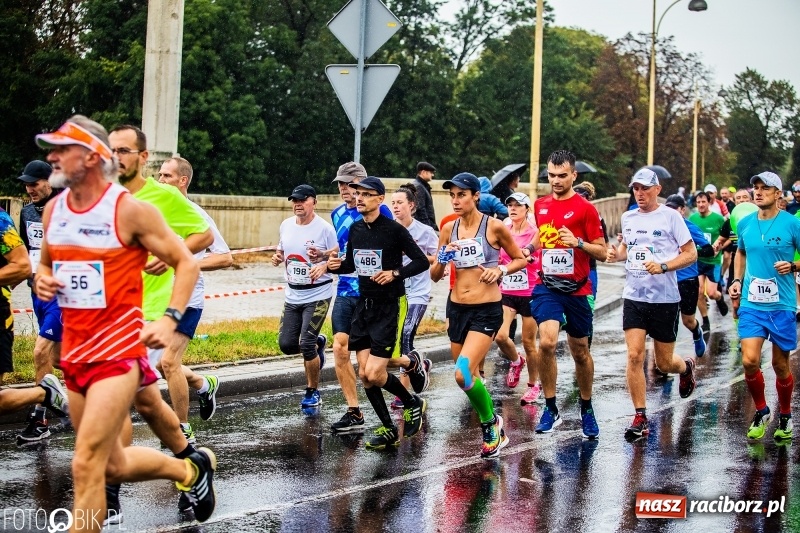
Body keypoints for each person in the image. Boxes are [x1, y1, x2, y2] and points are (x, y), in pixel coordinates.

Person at [34, 115, 217, 528]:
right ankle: (190, 470)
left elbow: (186, 262)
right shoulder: (53, 211)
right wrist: (46, 281)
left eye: (62, 150)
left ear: (90, 157)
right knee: (110, 465)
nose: (51, 157)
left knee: (85, 464)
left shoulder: (131, 210)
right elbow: (46, 266)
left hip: (118, 348)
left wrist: (171, 319)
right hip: (76, 353)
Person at [327, 177, 430, 450]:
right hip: (364, 306)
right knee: (365, 375)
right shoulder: (356, 229)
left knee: (374, 373)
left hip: (389, 306)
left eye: (366, 195)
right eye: (357, 193)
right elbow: (351, 264)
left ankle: (411, 401)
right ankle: (387, 427)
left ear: (379, 199)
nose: (359, 198)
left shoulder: (394, 230)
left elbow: (420, 261)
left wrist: (395, 273)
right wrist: (332, 266)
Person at [430, 172, 527, 458]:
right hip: (457, 307)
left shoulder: (494, 227)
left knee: (461, 374)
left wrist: (500, 270)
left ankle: (490, 424)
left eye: (462, 194)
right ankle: (493, 421)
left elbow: (520, 258)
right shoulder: (449, 229)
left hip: (486, 310)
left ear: (475, 196)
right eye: (452, 195)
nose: (456, 200)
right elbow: (435, 275)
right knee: (470, 375)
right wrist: (444, 257)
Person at [607, 168, 698, 441]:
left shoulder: (671, 217)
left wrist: (664, 266)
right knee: (635, 356)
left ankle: (686, 368)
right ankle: (640, 415)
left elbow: (691, 254)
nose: (640, 193)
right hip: (634, 297)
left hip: (665, 300)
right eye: (636, 188)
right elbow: (627, 250)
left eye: (645, 188)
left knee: (664, 363)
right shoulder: (628, 217)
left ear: (657, 189)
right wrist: (616, 253)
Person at [529, 151, 607, 439]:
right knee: (547, 342)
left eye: (562, 175)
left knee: (580, 352)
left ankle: (586, 408)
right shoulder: (540, 205)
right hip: (547, 285)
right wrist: (528, 250)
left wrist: (579, 243)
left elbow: (603, 251)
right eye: (551, 175)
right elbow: (540, 234)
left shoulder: (586, 209)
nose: (556, 180)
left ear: (574, 175)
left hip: (578, 289)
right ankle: (551, 408)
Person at [158, 156, 232, 424]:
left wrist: (189, 263)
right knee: (158, 364)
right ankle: (203, 384)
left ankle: (181, 429)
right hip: (157, 299)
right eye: (159, 175)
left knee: (168, 362)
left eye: (167, 176)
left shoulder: (196, 215)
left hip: (188, 297)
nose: (161, 180)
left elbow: (225, 257)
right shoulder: (153, 212)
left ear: (182, 181)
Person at [328, 162, 400, 433]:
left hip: (373, 293)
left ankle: (409, 363)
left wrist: (392, 275)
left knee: (368, 365)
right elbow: (344, 248)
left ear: (361, 184)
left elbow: (392, 244)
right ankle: (354, 411)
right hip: (346, 288)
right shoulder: (336, 214)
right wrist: (327, 259)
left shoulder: (379, 211)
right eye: (340, 184)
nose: (344, 189)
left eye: (348, 183)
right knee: (339, 347)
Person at [729, 172, 798, 441]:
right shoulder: (745, 223)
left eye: (765, 188)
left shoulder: (792, 224)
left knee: (780, 365)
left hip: (782, 304)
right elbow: (741, 251)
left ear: (778, 194)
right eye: (755, 188)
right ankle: (761, 410)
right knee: (749, 360)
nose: (758, 192)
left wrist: (793, 266)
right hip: (751, 303)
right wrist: (736, 279)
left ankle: (785, 415)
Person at [271, 184, 337, 409]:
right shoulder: (286, 225)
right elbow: (283, 249)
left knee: (305, 344)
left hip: (318, 293)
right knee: (287, 345)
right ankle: (319, 343)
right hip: (293, 294)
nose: (297, 205)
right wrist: (278, 257)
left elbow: (338, 256)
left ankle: (312, 391)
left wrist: (325, 266)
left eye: (302, 200)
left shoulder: (325, 229)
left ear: (314, 202)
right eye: (294, 201)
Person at [16, 160, 67, 442]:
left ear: (50, 181)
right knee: (57, 358)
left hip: (62, 293)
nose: (29, 189)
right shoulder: (26, 212)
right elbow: (26, 253)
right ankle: (100, 383)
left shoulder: (67, 207)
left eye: (34, 184)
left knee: (39, 352)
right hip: (38, 293)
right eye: (26, 184)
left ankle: (39, 418)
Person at [388, 183, 438, 408]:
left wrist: (413, 253)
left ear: (412, 205)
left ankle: (403, 393)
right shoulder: (388, 230)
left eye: (400, 203)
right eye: (393, 203)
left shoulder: (425, 232)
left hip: (418, 292)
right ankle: (421, 364)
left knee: (405, 336)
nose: (396, 207)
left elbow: (435, 259)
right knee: (397, 339)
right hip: (397, 292)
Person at [494, 192, 542, 404]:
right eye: (510, 205)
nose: (513, 209)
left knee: (529, 342)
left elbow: (539, 257)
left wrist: (529, 257)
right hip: (507, 291)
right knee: (501, 336)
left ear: (526, 210)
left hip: (530, 292)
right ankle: (516, 361)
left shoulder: (535, 232)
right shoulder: (504, 231)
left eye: (518, 206)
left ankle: (533, 385)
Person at [664, 194, 713, 357]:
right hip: (667, 278)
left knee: (687, 321)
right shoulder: (660, 227)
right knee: (668, 320)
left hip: (687, 280)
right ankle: (666, 358)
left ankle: (697, 332)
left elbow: (708, 249)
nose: (670, 212)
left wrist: (689, 252)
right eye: (668, 208)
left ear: (682, 210)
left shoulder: (689, 227)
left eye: (674, 208)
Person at [689, 192, 728, 334]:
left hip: (713, 260)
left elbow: (728, 237)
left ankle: (719, 297)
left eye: (703, 202)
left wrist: (719, 247)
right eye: (698, 202)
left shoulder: (718, 219)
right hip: (698, 260)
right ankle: (705, 320)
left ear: (709, 202)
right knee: (699, 292)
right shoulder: (692, 219)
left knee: (711, 293)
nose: (700, 205)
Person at [412, 161, 438, 231]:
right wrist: (428, 229)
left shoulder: (421, 186)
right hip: (424, 228)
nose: (432, 175)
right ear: (423, 172)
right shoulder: (419, 187)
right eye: (431, 172)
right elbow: (421, 210)